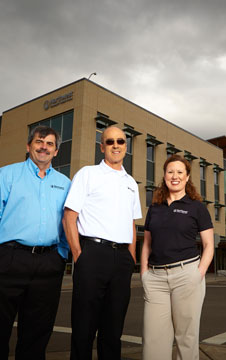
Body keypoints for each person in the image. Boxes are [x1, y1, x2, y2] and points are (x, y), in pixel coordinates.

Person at [0, 125, 70, 360]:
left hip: (48, 263)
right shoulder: (7, 174)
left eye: (49, 144)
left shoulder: (65, 183)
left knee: (37, 336)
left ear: (56, 151)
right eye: (39, 141)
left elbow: (69, 222)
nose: (44, 147)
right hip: (7, 259)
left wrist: (61, 255)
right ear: (29, 146)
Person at [63, 126, 142, 360]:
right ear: (102, 146)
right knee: (83, 328)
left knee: (113, 329)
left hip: (121, 260)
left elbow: (131, 224)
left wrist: (131, 258)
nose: (115, 145)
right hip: (92, 255)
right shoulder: (87, 174)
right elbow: (69, 216)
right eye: (110, 142)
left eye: (120, 141)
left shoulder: (131, 183)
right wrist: (79, 255)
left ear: (126, 147)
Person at [140, 154, 214, 360]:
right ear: (164, 176)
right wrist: (144, 273)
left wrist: (198, 275)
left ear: (187, 176)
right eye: (170, 171)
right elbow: (146, 243)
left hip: (186, 275)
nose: (175, 176)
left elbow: (209, 246)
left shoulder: (197, 207)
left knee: (186, 339)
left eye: (180, 172)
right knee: (153, 340)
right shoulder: (155, 207)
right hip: (155, 279)